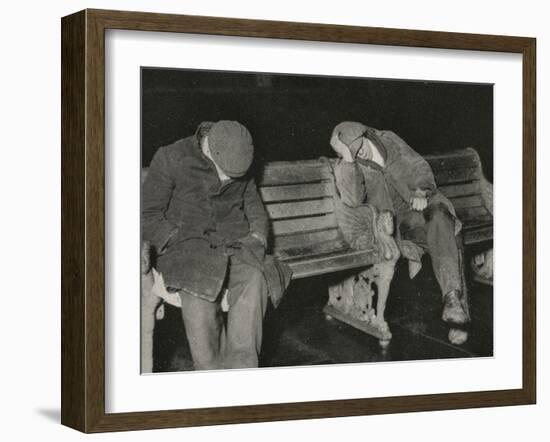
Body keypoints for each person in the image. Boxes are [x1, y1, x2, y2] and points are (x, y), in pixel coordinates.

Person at [142, 120, 290, 370]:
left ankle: (242, 372)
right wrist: (173, 239)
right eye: (225, 174)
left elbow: (254, 206)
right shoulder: (172, 157)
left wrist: (258, 236)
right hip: (186, 250)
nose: (227, 181)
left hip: (235, 245)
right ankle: (212, 378)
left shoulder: (239, 158)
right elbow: (148, 213)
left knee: (256, 279)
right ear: (209, 149)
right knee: (199, 298)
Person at [329, 121, 469, 341]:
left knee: (443, 219)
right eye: (351, 151)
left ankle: (452, 302)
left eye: (358, 146)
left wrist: (422, 191)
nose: (358, 152)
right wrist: (348, 159)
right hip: (392, 227)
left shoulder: (389, 140)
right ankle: (459, 318)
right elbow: (353, 199)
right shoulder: (347, 167)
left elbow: (418, 165)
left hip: (418, 209)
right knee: (449, 236)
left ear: (366, 134)